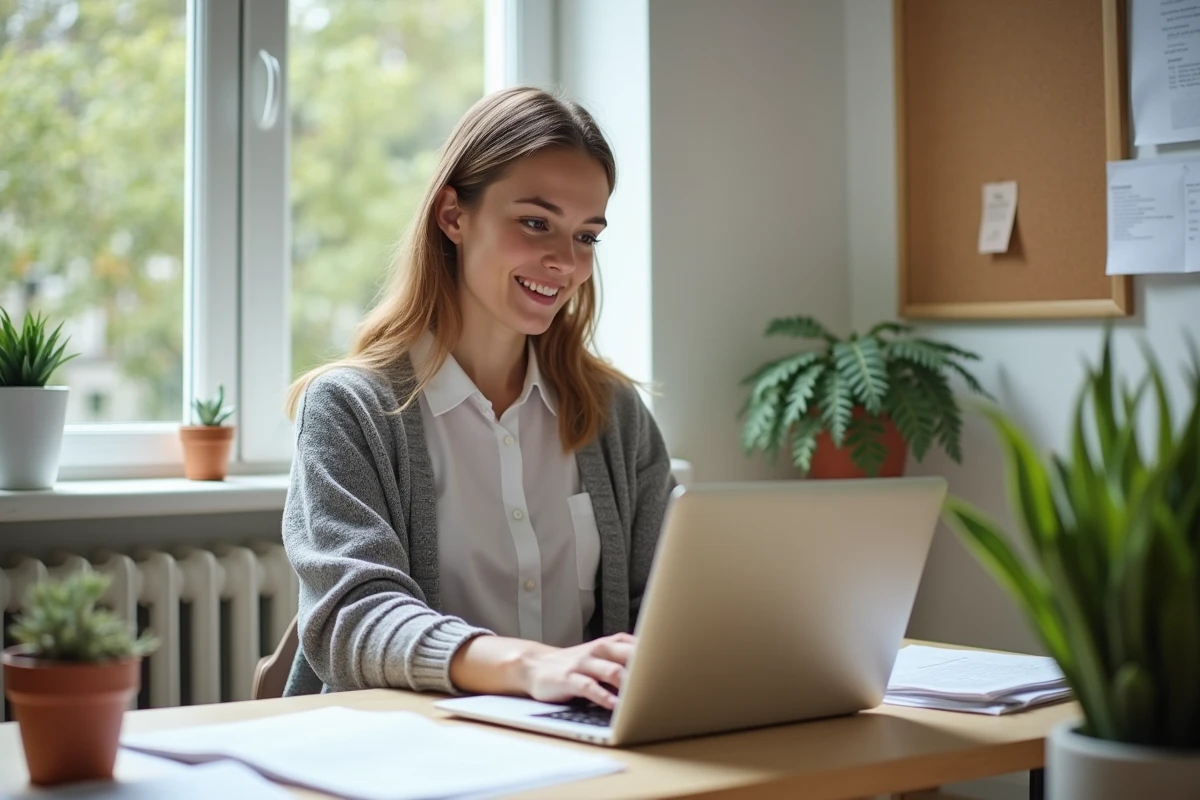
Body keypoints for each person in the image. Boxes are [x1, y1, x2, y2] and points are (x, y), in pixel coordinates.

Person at [280, 86, 675, 712]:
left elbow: (672, 601)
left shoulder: (615, 416)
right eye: (535, 223)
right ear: (453, 216)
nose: (564, 262)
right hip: (407, 751)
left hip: (588, 748)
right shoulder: (349, 410)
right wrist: (531, 665)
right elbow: (350, 621)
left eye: (586, 236)